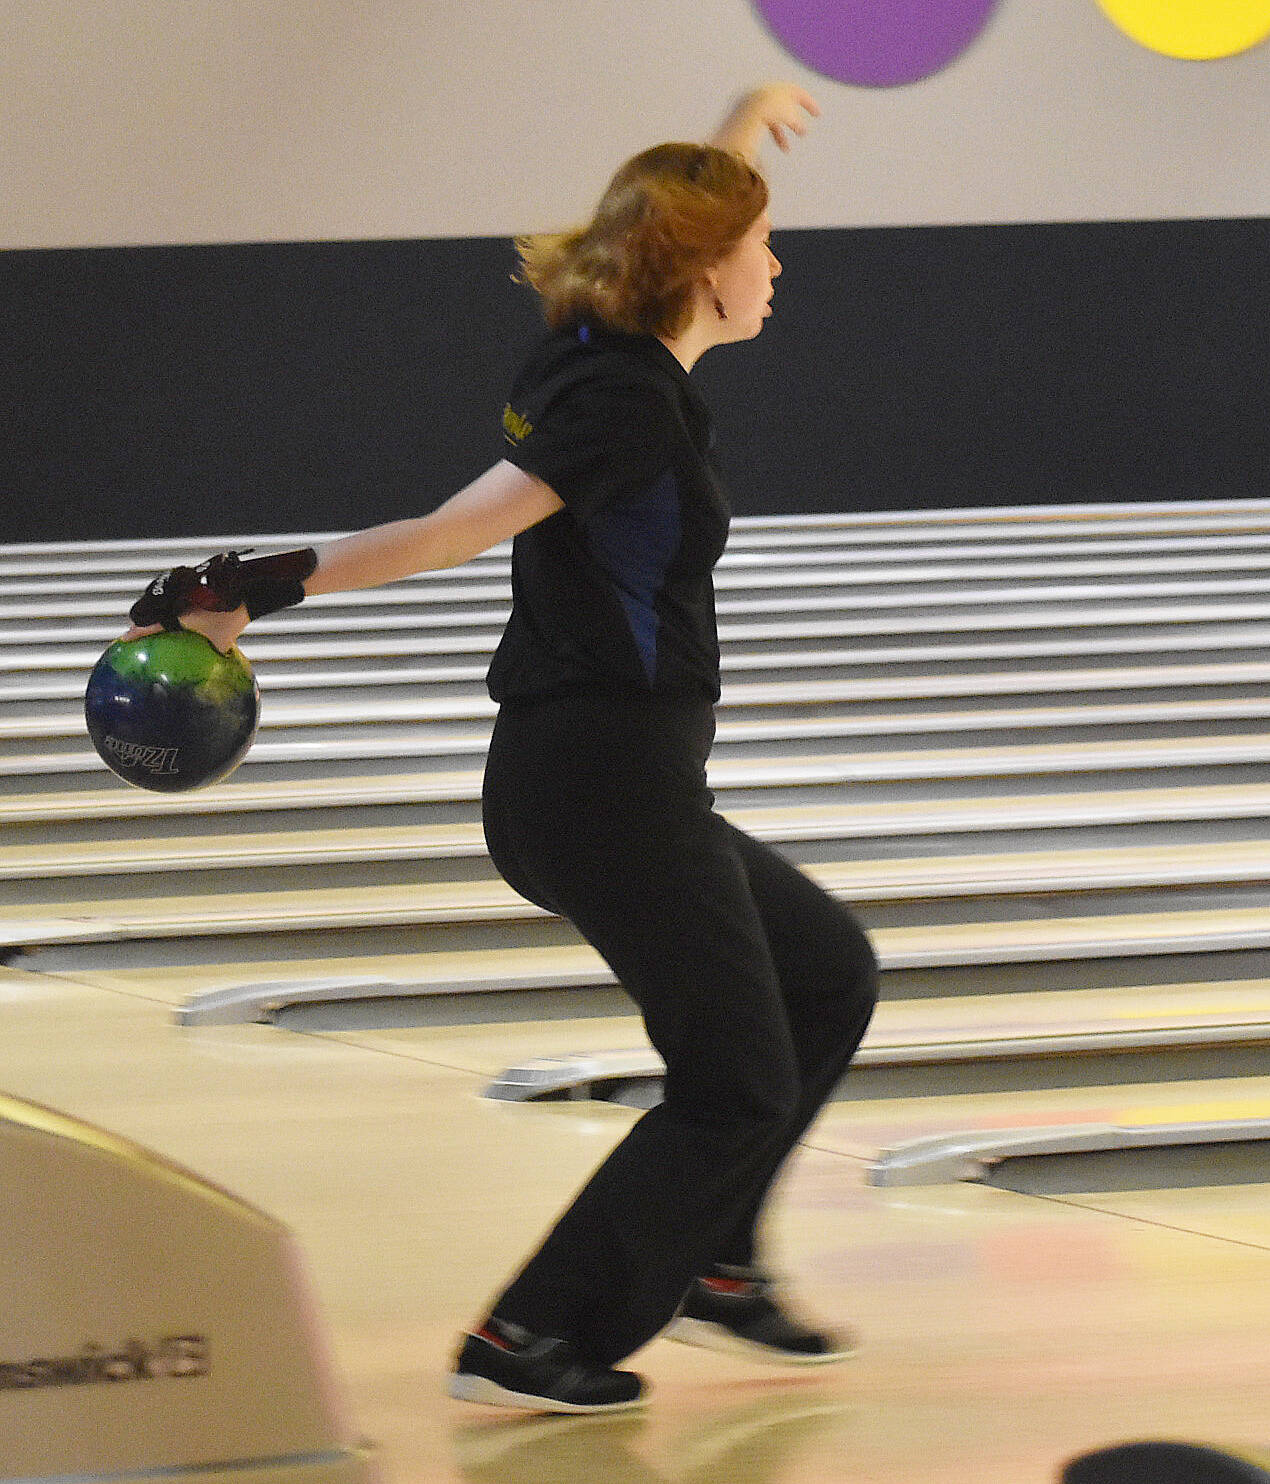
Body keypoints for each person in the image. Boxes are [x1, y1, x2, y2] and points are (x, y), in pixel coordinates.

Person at [121, 82, 879, 1415]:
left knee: (824, 974)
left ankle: (707, 1263)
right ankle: (528, 1336)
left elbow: (664, 215)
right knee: (733, 1083)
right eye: (759, 242)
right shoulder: (623, 404)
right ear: (703, 270)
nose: (779, 261)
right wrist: (253, 584)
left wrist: (741, 131)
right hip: (603, 788)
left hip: (610, 780)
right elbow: (447, 533)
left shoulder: (608, 358)